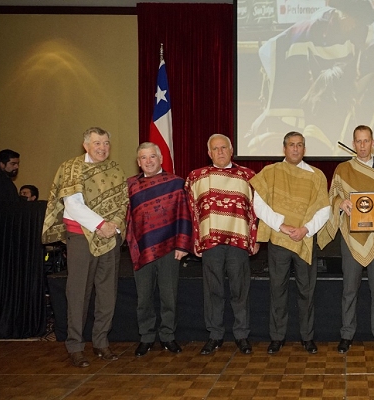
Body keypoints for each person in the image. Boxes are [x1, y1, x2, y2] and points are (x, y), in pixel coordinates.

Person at [248, 0, 374, 157]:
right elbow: (267, 51)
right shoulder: (309, 31)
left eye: (359, 23)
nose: (355, 27)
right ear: (341, 14)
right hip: (326, 104)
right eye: (353, 21)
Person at [41, 127, 128, 368]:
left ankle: (101, 342)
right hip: (81, 237)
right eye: (97, 143)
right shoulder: (72, 168)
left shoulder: (115, 169)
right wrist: (101, 224)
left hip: (110, 238)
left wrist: (115, 226)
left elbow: (123, 201)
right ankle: (75, 346)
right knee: (79, 293)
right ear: (86, 145)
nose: (103, 148)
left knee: (107, 293)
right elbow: (73, 206)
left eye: (106, 143)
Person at [318, 125, 374, 354]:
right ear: (354, 143)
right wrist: (340, 204)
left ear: (373, 142)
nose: (363, 145)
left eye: (366, 141)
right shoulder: (343, 169)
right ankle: (347, 334)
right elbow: (333, 195)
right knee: (349, 289)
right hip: (351, 236)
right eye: (358, 141)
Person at [250, 132, 330, 355]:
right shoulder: (271, 173)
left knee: (307, 291)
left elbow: (325, 209)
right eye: (291, 145)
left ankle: (307, 337)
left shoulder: (317, 176)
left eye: (300, 145)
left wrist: (306, 229)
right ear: (284, 148)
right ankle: (277, 337)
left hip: (305, 240)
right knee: (278, 290)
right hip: (279, 239)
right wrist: (281, 226)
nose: (295, 149)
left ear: (304, 149)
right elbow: (260, 205)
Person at [185, 134, 259, 356]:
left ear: (231, 149)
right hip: (211, 243)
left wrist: (254, 240)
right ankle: (215, 335)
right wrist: (195, 241)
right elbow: (192, 212)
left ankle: (242, 335)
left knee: (240, 290)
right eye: (215, 149)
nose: (220, 152)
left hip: (239, 242)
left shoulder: (249, 177)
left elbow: (256, 212)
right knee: (213, 290)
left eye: (223, 147)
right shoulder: (196, 178)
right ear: (209, 153)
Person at [125, 142, 192, 357]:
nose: (148, 161)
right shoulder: (130, 185)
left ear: (161, 158)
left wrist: (182, 245)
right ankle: (146, 337)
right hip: (142, 248)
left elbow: (185, 214)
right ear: (138, 162)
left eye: (152, 156)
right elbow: (126, 218)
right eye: (143, 158)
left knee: (168, 296)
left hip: (170, 249)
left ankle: (168, 336)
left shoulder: (176, 183)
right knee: (143, 297)